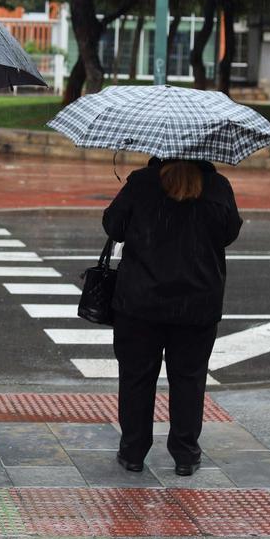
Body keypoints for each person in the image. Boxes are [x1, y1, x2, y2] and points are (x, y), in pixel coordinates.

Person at [101, 158, 242, 476]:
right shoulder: (217, 187)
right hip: (197, 303)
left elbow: (113, 226)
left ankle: (133, 451)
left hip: (140, 302)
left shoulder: (142, 183)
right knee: (189, 379)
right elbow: (229, 232)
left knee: (136, 378)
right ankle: (185, 454)